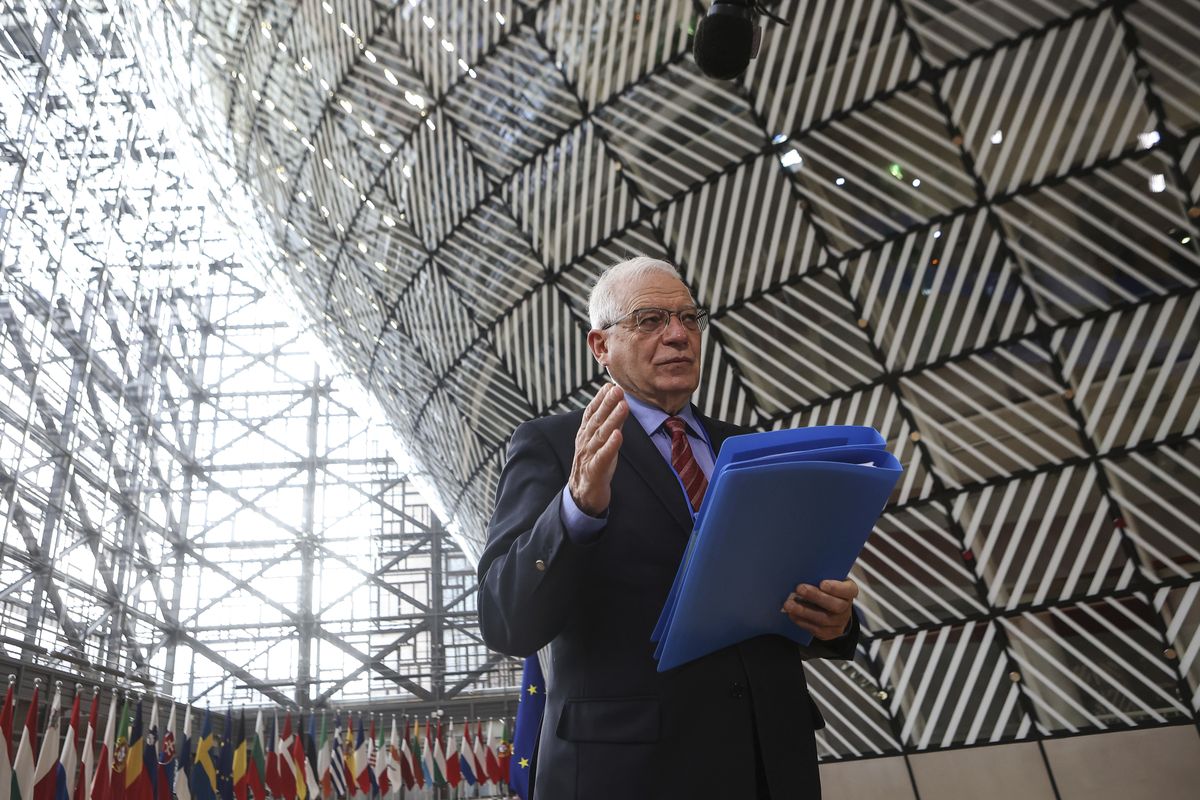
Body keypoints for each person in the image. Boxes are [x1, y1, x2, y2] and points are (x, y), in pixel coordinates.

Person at [477, 256, 861, 799]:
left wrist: (834, 620)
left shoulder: (750, 448)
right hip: (630, 774)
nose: (678, 335)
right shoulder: (554, 447)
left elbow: (782, 589)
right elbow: (504, 618)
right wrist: (577, 507)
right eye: (650, 320)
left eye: (688, 318)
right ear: (600, 347)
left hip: (769, 766)